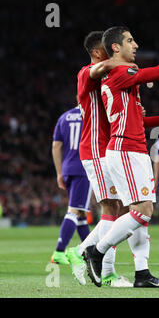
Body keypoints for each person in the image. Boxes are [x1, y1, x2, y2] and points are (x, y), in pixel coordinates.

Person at [83, 21, 159, 288]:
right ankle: (96, 250)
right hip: (125, 150)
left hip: (134, 148)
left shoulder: (123, 76)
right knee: (143, 211)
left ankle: (142, 274)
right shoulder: (121, 72)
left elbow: (136, 119)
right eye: (130, 41)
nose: (135, 45)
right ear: (115, 47)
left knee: (141, 213)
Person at [66, 31, 159, 287]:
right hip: (96, 148)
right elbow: (103, 68)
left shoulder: (113, 77)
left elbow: (133, 117)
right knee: (113, 209)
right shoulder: (88, 72)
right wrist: (132, 66)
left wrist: (158, 117)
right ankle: (100, 266)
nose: (114, 54)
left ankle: (130, 269)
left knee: (127, 208)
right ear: (98, 52)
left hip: (111, 147)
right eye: (108, 51)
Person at [51, 106, 92, 265]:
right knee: (74, 210)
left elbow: (56, 146)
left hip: (67, 168)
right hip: (83, 167)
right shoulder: (91, 114)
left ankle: (87, 252)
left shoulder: (64, 117)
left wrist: (59, 172)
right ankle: (59, 251)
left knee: (81, 213)